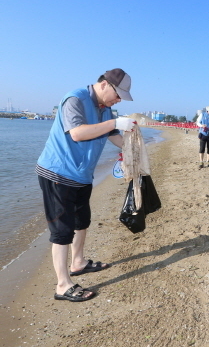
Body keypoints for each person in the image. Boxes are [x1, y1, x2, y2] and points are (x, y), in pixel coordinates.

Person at [36, 68, 135, 302]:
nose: (118, 99)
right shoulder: (75, 99)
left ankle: (78, 262)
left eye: (121, 97)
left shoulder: (105, 107)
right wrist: (115, 121)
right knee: (62, 230)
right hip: (57, 174)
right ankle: (62, 285)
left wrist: (132, 149)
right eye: (117, 94)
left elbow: (111, 134)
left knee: (82, 222)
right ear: (103, 85)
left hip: (82, 175)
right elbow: (78, 133)